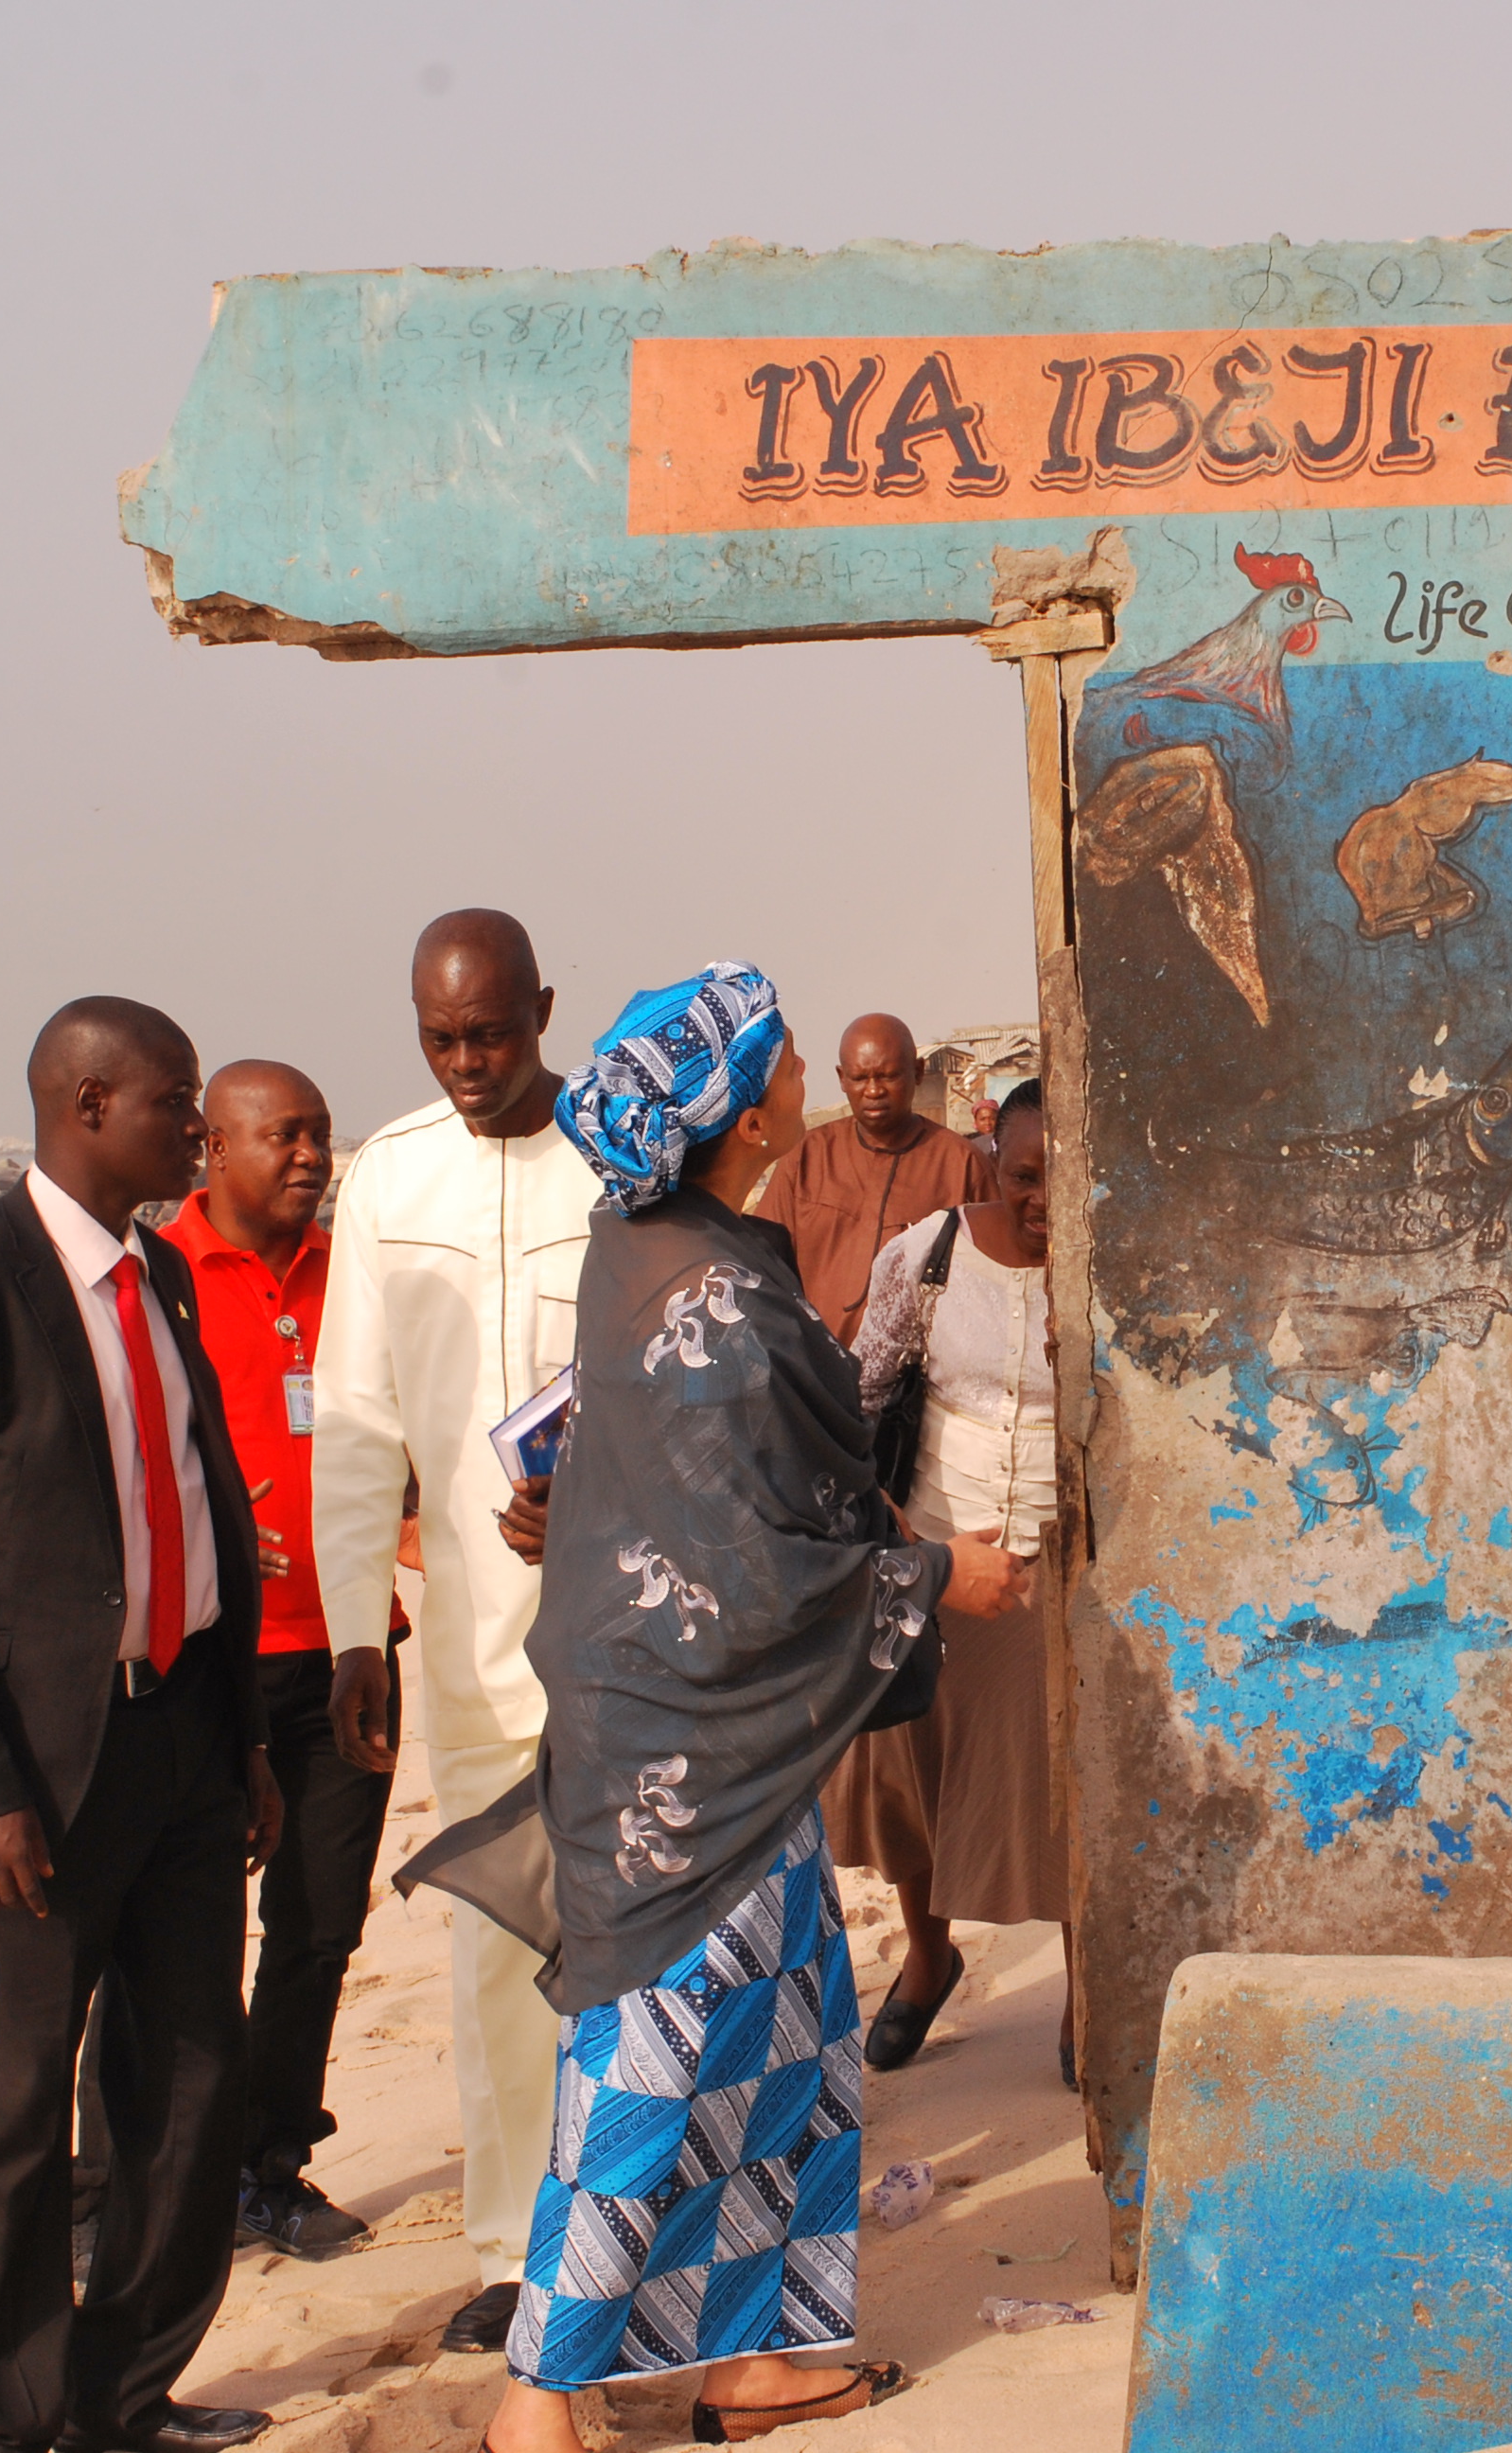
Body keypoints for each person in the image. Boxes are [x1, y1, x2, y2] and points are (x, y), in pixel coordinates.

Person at [434, 961, 1021, 2453]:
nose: (806, 1070)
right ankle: (539, 2397)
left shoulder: (653, 1239)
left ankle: (757, 2355)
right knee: (656, 2056)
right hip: (687, 1755)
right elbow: (758, 1562)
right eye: (783, 1054)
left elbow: (669, 1486)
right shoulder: (717, 1295)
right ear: (749, 1101)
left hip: (706, 1736)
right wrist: (938, 1574)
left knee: (791, 2038)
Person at [0, 998, 277, 2453]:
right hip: (29, 1783)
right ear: (89, 1104)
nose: (194, 1123)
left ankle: (120, 2395)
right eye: (175, 1101)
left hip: (176, 1748)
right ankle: (1, 2423)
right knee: (17, 2110)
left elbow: (197, 1506)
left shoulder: (159, 1274)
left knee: (188, 2084)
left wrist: (239, 1750)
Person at [308, 909, 599, 2353]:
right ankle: (515, 2244)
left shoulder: (620, 1152)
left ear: (543, 1010)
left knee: (637, 1937)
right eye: (441, 1039)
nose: (468, 1061)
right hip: (469, 1649)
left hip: (623, 1635)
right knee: (495, 1950)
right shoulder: (387, 1175)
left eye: (491, 1032)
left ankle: (640, 2227)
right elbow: (356, 1420)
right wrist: (358, 1624)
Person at [157, 1059, 396, 2260]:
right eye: (284, 1136)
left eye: (321, 1135)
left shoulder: (354, 1269)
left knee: (317, 1927)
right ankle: (141, 2185)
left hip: (352, 1651)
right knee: (185, 1939)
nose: (310, 1156)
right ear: (213, 1147)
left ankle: (272, 2165)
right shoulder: (158, 1280)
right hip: (214, 1668)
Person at [828, 1080, 1071, 2075]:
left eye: (1065, 1177)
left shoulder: (1124, 1261)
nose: (1043, 1198)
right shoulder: (926, 1257)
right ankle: (928, 1961)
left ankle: (1084, 1989)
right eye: (1022, 1176)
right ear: (990, 1165)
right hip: (932, 1556)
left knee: (1060, 1794)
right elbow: (856, 1397)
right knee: (904, 1786)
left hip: (1059, 1570)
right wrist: (887, 1538)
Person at [751, 1014, 993, 1346]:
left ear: (918, 1072)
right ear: (842, 1079)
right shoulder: (806, 1157)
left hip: (922, 1373)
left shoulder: (961, 1163)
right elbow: (763, 1265)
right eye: (860, 1078)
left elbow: (992, 1277)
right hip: (821, 1366)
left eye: (889, 1076)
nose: (874, 1090)